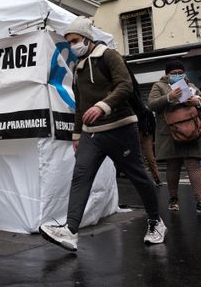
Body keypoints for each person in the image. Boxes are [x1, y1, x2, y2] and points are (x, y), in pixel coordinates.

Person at [39, 16, 166, 252]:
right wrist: (77, 135)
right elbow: (79, 105)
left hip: (121, 128)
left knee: (137, 175)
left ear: (87, 38)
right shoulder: (77, 67)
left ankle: (156, 221)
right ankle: (70, 231)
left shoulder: (109, 56)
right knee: (80, 177)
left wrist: (103, 106)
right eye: (69, 42)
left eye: (75, 40)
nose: (72, 45)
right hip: (91, 135)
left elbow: (125, 85)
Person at [147, 60, 201, 216]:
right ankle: (173, 199)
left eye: (180, 72)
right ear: (167, 74)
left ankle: (200, 201)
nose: (177, 75)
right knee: (173, 167)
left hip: (192, 132)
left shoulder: (192, 86)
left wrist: (197, 102)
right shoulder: (159, 86)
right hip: (170, 133)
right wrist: (169, 97)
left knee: (194, 166)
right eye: (173, 73)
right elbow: (151, 105)